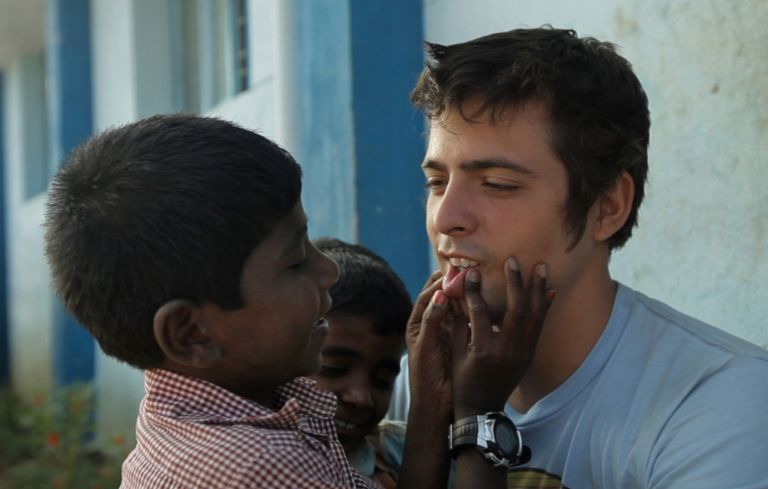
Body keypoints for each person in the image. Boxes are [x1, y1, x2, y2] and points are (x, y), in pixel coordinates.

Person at [43, 113, 552, 488]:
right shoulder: (257, 470)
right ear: (191, 333)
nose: (327, 270)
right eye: (294, 262)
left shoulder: (221, 403)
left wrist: (433, 395)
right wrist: (480, 412)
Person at [408, 26, 768, 488]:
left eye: (498, 185)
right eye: (437, 183)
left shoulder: (720, 403)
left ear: (608, 206)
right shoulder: (420, 376)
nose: (447, 218)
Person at [308, 238, 411, 489]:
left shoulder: (399, 451)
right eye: (334, 368)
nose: (361, 397)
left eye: (383, 381)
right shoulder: (255, 460)